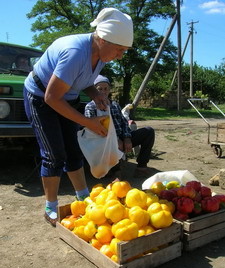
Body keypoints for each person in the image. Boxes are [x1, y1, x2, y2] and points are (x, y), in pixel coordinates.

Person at [23, 8, 133, 226]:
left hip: (66, 97)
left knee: (74, 150)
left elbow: (82, 79)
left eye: (124, 50)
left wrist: (94, 93)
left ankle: (82, 197)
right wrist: (87, 122)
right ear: (102, 39)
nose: (120, 55)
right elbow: (52, 98)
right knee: (54, 154)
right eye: (119, 49)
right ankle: (51, 207)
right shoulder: (75, 51)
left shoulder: (101, 55)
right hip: (41, 98)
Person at [84, 75, 155, 179]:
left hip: (120, 139)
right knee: (112, 149)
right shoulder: (90, 107)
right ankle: (115, 171)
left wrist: (127, 138)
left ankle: (141, 167)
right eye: (100, 89)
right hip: (103, 142)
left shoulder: (114, 105)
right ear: (95, 91)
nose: (103, 91)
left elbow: (124, 123)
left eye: (105, 89)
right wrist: (115, 140)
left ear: (109, 90)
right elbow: (94, 129)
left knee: (148, 131)